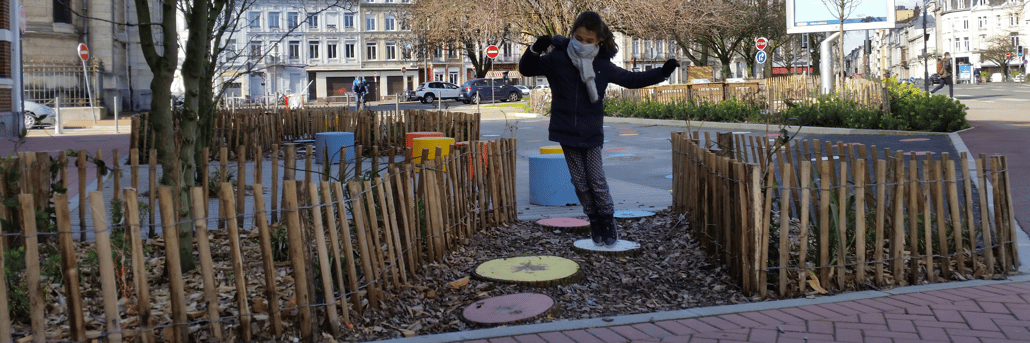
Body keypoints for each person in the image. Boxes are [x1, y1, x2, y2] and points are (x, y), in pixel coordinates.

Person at [519, 11, 678, 247]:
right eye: (579, 38)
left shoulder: (602, 65)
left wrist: (662, 73)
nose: (583, 44)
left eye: (589, 40)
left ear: (598, 41)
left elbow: (631, 80)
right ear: (572, 34)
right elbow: (527, 69)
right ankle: (594, 219)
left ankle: (607, 220)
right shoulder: (557, 59)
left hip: (591, 132)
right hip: (566, 131)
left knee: (596, 180)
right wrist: (534, 49)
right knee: (580, 182)